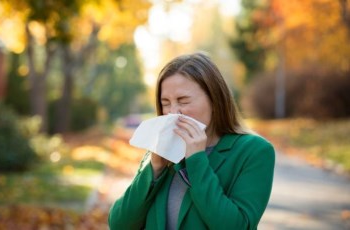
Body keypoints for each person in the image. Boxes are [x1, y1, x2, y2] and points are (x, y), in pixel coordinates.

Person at [108, 52, 275, 230]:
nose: (173, 112)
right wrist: (153, 168)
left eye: (183, 101)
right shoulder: (161, 152)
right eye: (165, 103)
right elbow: (119, 224)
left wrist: (197, 161)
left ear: (214, 100)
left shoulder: (254, 151)